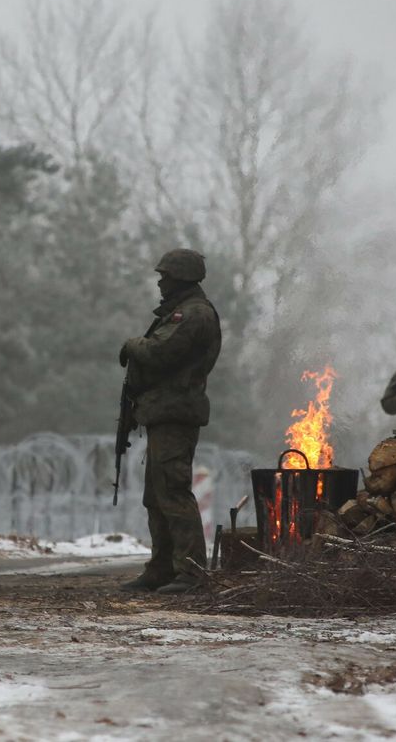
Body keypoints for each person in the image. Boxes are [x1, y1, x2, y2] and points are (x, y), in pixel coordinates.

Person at [117, 248, 221, 595]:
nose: (160, 282)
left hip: (176, 412)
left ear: (181, 277)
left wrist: (133, 344)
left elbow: (159, 353)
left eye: (165, 276)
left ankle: (191, 573)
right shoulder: (181, 312)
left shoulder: (193, 315)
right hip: (164, 411)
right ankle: (162, 567)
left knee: (172, 491)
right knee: (156, 494)